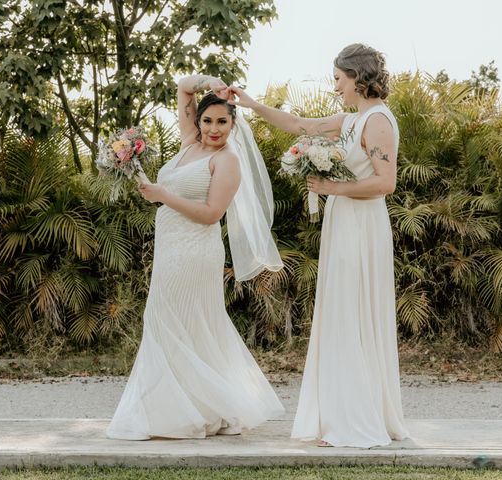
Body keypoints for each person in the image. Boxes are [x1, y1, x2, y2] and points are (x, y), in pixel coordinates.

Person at [228, 43, 409, 448]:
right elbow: (298, 125)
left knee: (353, 310)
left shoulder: (377, 122)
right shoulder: (351, 120)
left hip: (362, 226)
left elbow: (385, 182)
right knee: (341, 311)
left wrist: (332, 187)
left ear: (358, 78)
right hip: (343, 222)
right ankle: (340, 413)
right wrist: (251, 104)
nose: (336, 88)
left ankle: (356, 419)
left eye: (339, 80)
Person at [106, 74, 284, 440]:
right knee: (183, 323)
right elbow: (184, 87)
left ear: (234, 124)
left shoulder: (227, 160)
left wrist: (162, 195)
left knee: (173, 320)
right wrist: (212, 82)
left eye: (222, 121)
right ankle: (198, 406)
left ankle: (188, 411)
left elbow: (210, 213)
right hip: (170, 246)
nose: (214, 129)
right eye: (208, 120)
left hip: (195, 251)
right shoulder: (189, 143)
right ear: (198, 121)